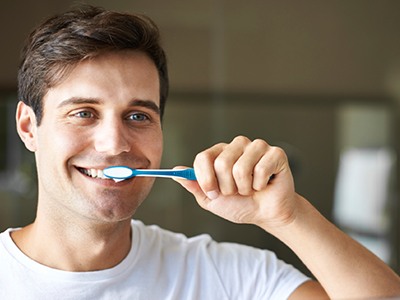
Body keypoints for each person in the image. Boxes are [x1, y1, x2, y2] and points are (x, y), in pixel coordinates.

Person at [1, 5, 399, 299]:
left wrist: (288, 216)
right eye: (84, 113)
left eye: (138, 116)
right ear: (27, 126)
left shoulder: (224, 276)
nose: (115, 143)